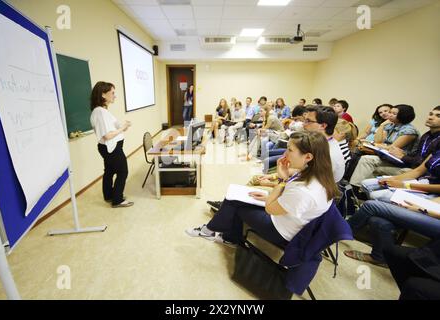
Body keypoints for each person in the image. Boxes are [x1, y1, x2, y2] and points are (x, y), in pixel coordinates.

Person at [187, 131, 338, 248]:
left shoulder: (305, 191)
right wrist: (269, 194)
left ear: (308, 157)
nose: (285, 154)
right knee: (238, 197)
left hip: (280, 231)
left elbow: (271, 208)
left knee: (234, 203)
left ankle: (213, 232)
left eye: (290, 150)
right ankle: (224, 235)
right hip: (289, 217)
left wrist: (281, 180)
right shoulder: (319, 175)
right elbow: (288, 200)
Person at [343, 195, 440, 267]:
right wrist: (423, 203)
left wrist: (421, 209)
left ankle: (339, 232)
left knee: (371, 206)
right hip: (434, 209)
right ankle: (379, 257)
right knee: (378, 220)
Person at [349, 104, 420, 187]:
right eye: (390, 112)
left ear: (403, 116)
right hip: (388, 156)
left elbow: (391, 148)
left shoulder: (409, 130)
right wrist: (382, 126)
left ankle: (354, 187)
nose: (389, 115)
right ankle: (351, 183)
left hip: (401, 160)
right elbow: (378, 141)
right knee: (359, 150)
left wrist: (373, 144)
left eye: (394, 114)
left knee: (367, 159)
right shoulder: (391, 125)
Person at [90, 81, 133, 208]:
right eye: (112, 93)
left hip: (108, 147)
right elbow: (107, 135)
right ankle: (117, 199)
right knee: (123, 171)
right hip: (111, 148)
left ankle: (109, 195)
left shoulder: (102, 111)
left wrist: (122, 127)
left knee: (109, 171)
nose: (115, 96)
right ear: (103, 95)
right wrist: (122, 128)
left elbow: (110, 129)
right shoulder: (100, 112)